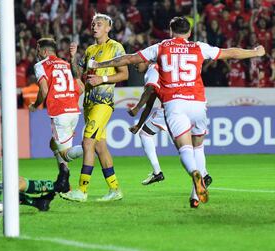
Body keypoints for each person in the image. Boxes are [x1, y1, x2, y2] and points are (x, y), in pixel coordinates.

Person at [89, 16, 265, 205]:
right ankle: (196, 193)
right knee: (199, 146)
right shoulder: (199, 47)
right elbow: (230, 53)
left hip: (175, 104)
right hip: (198, 103)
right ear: (189, 33)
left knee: (184, 148)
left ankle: (194, 174)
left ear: (171, 31)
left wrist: (99, 65)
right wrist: (255, 52)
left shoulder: (161, 47)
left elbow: (129, 58)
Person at [60, 13, 129, 202]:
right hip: (89, 104)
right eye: (93, 24)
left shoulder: (116, 47)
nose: (94, 26)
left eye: (99, 24)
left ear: (108, 28)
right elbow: (78, 74)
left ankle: (82, 191)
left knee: (87, 142)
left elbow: (124, 74)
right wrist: (73, 57)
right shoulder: (90, 49)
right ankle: (115, 190)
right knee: (100, 147)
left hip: (103, 103)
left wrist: (102, 79)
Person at [129, 63, 213, 208]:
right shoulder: (173, 63)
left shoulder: (153, 69)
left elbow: (150, 89)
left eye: (137, 61)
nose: (134, 66)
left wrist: (137, 108)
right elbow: (150, 103)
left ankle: (158, 172)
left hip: (172, 108)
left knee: (179, 147)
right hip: (197, 103)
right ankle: (196, 193)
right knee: (196, 147)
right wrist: (138, 124)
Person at [29, 38, 84, 174]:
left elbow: (43, 90)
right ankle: (64, 179)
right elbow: (81, 88)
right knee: (53, 144)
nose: (37, 53)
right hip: (73, 111)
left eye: (38, 50)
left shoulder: (41, 65)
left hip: (60, 112)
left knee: (66, 154)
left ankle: (91, 147)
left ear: (45, 51)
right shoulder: (66, 64)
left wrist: (36, 105)